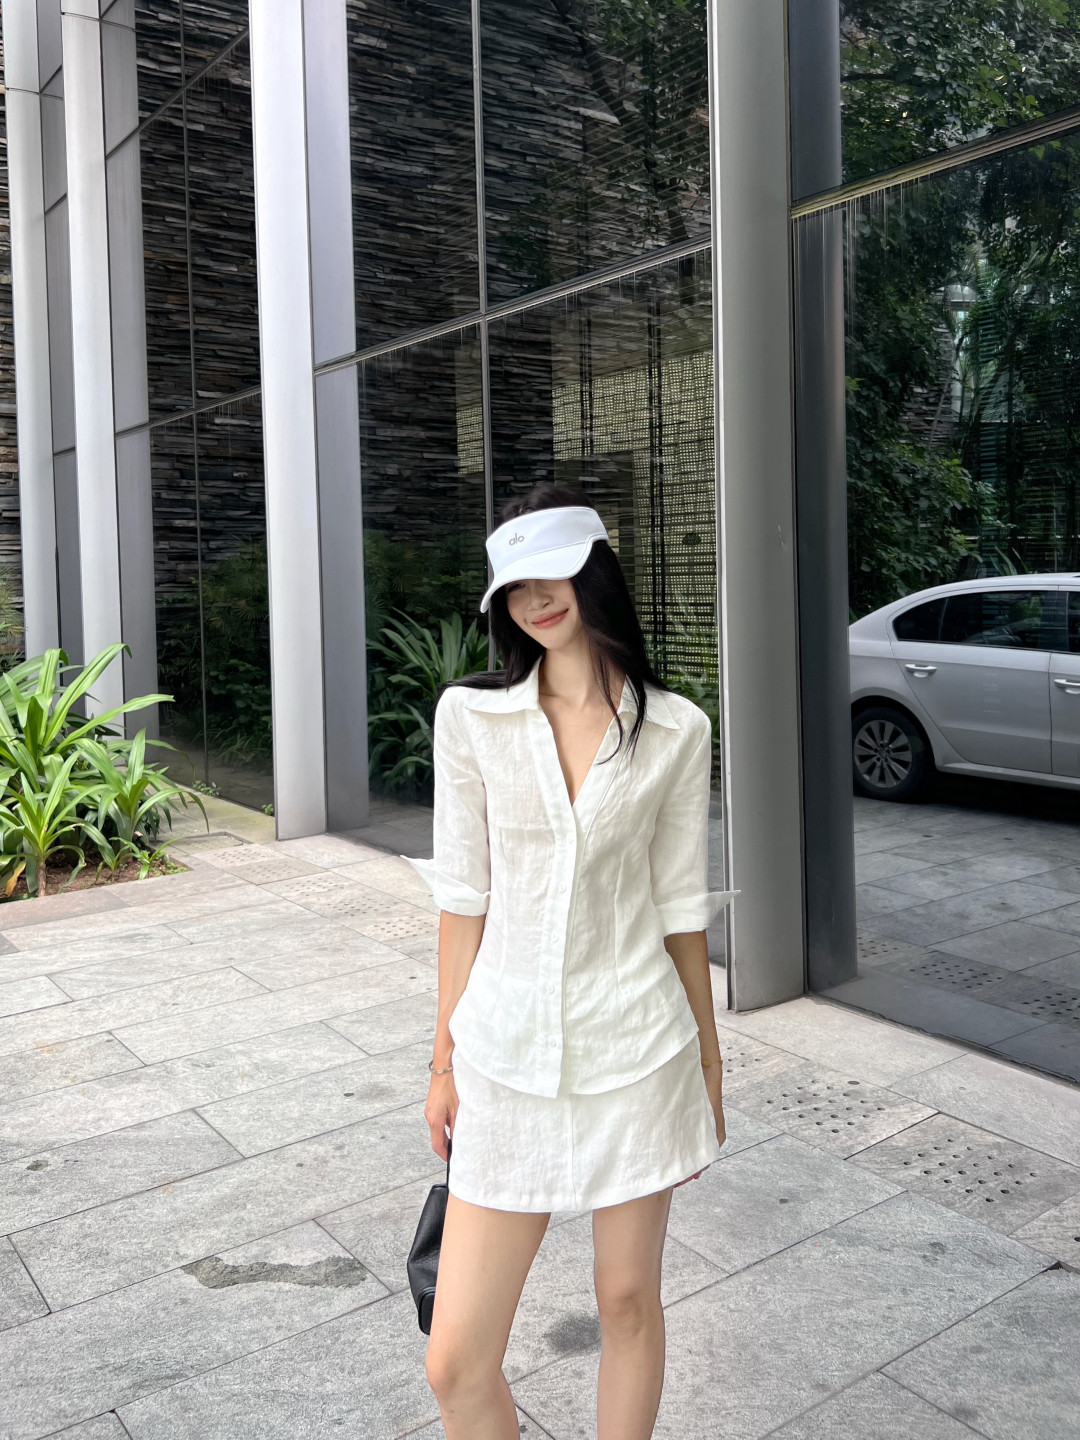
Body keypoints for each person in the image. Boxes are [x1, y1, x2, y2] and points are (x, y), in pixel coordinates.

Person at [402, 482, 733, 1440]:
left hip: (638, 1049)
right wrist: (442, 1063)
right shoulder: (473, 720)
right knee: (454, 1359)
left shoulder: (677, 730)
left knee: (627, 1300)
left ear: (595, 573)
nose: (535, 600)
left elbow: (679, 909)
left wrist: (708, 1063)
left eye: (552, 575)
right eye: (514, 587)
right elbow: (463, 900)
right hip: (504, 1057)